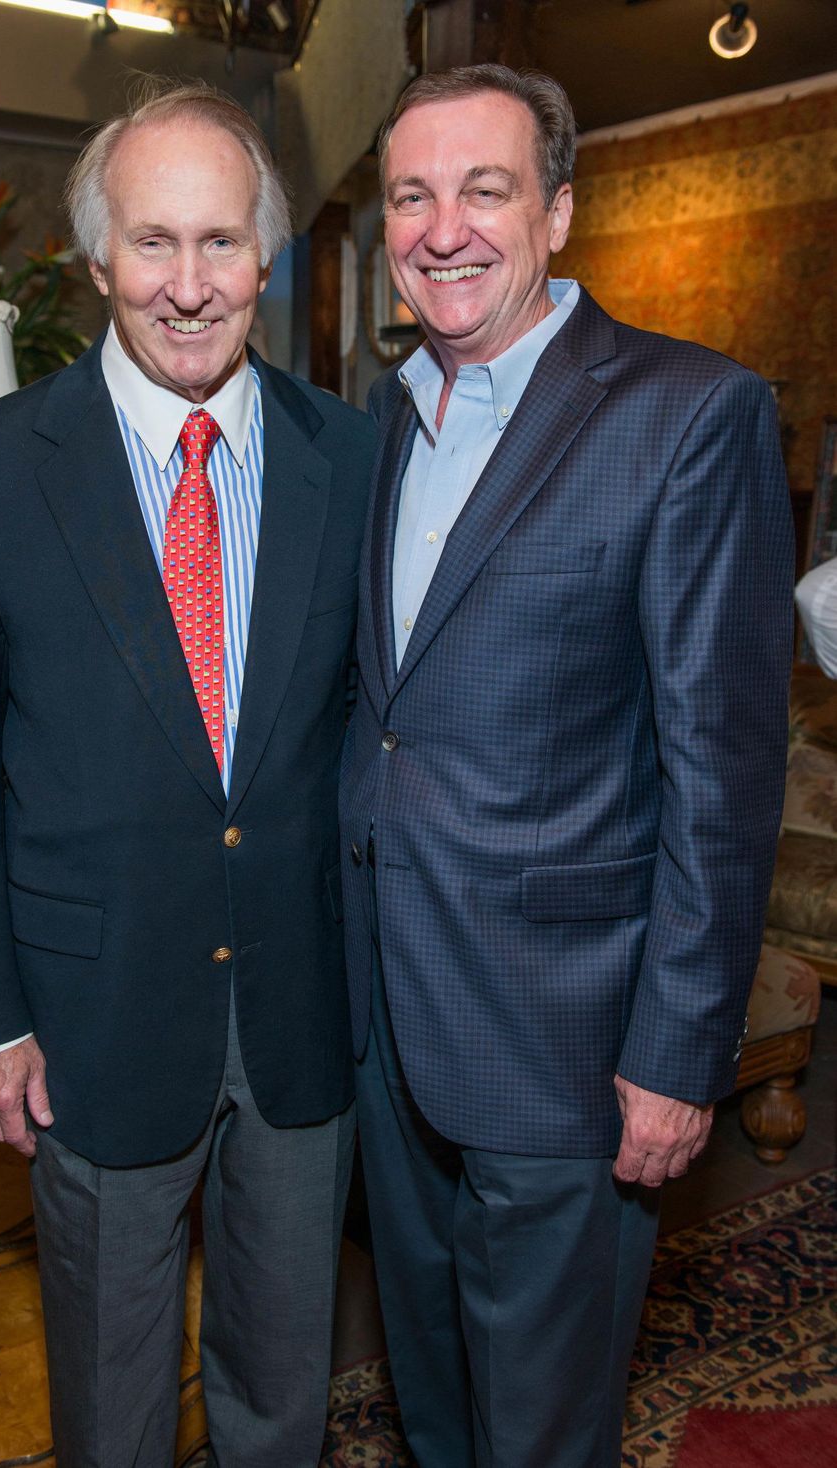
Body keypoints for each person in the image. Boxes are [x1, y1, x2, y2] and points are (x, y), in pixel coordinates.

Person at [0, 78, 375, 1468]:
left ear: (265, 259)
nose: (187, 284)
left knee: (282, 1396)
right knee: (109, 1414)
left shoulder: (348, 459)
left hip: (300, 1017)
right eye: (153, 244)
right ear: (97, 257)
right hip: (86, 1027)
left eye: (219, 243)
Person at [340, 63, 793, 1468]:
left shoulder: (687, 414)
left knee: (541, 1431)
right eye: (412, 195)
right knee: (436, 1400)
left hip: (569, 1045)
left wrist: (678, 1052)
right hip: (386, 1021)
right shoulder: (381, 424)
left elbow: (723, 767)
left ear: (559, 212)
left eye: (486, 188)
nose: (442, 227)